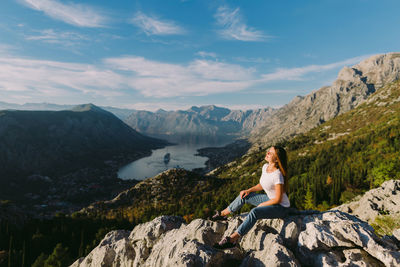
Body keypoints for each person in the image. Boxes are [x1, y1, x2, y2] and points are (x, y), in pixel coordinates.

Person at [212, 146, 290, 249]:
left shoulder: (277, 175)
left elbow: (278, 199)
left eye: (270, 153)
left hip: (281, 207)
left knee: (254, 212)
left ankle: (232, 240)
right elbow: (262, 185)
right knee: (244, 196)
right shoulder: (265, 167)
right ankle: (222, 214)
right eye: (268, 151)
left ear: (276, 159)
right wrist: (248, 190)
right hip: (270, 200)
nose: (267, 153)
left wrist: (262, 204)